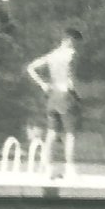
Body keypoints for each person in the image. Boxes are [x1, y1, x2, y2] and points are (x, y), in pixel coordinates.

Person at [24, 27, 83, 179]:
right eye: (75, 42)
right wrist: (77, 94)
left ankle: (48, 167)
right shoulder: (71, 54)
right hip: (66, 95)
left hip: (53, 96)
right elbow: (71, 78)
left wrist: (43, 84)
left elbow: (31, 68)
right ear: (69, 40)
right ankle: (70, 168)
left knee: (52, 133)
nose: (76, 46)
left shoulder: (53, 55)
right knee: (70, 135)